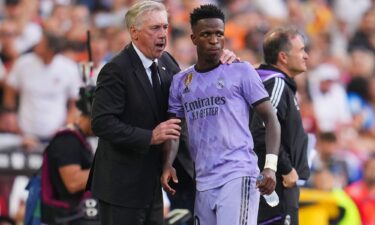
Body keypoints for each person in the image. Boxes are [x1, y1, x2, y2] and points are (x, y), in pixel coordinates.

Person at [87, 1, 236, 225]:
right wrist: (150, 136)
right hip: (121, 187)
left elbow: (190, 92)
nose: (163, 34)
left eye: (165, 27)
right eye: (155, 28)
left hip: (153, 183)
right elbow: (102, 123)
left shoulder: (166, 62)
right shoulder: (115, 70)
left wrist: (219, 65)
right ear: (134, 33)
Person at [162, 4, 280, 225]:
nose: (214, 40)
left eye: (219, 34)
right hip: (204, 180)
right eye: (206, 34)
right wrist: (168, 163)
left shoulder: (241, 70)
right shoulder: (181, 82)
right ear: (193, 38)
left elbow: (270, 118)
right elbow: (173, 128)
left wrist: (270, 166)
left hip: (238, 173)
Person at [250, 26, 311, 225]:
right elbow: (261, 128)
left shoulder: (274, 83)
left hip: (274, 185)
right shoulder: (275, 83)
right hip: (275, 187)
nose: (306, 56)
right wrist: (285, 168)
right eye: (301, 50)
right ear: (283, 57)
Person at [41, 85, 97, 225]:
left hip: (77, 216)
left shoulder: (81, 140)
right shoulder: (67, 140)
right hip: (65, 218)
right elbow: (73, 182)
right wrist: (111, 167)